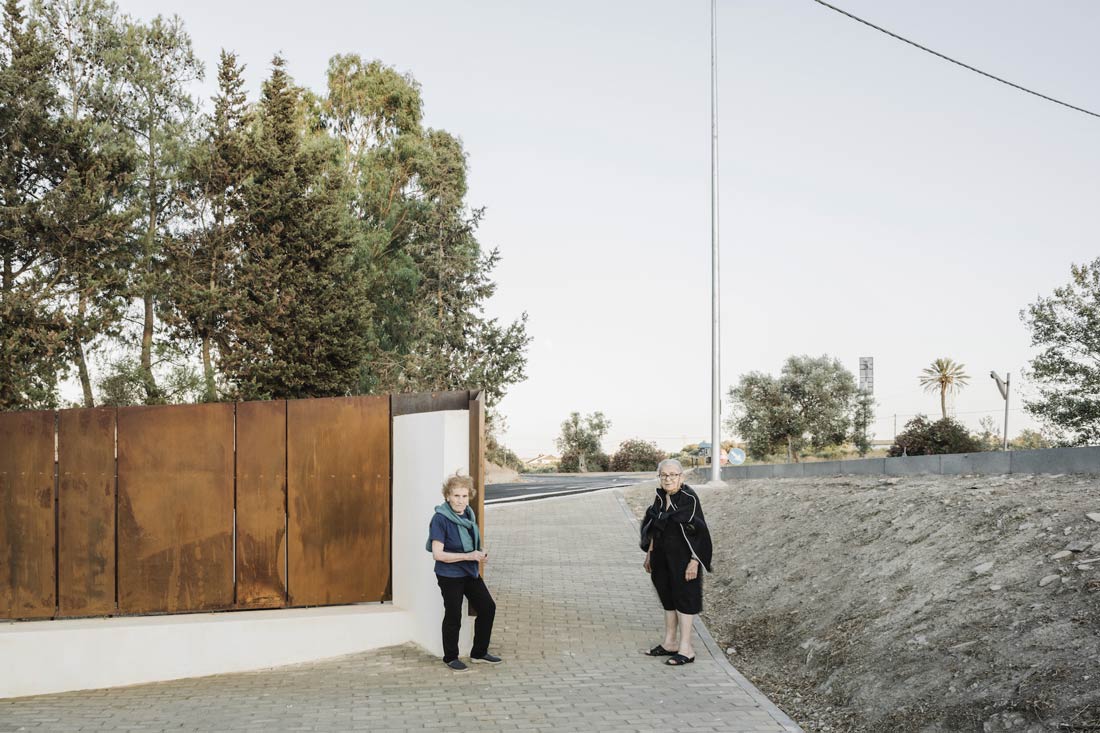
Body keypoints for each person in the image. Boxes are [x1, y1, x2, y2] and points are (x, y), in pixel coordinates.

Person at [639, 458, 713, 666]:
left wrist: (695, 561)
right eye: (664, 475)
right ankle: (670, 643)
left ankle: (686, 649)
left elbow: (700, 532)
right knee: (668, 598)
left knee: (684, 600)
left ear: (681, 477)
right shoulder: (660, 498)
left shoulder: (688, 499)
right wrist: (649, 553)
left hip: (684, 557)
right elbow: (655, 527)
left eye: (673, 475)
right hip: (662, 556)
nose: (668, 479)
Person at [427, 473, 501, 672]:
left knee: (487, 607)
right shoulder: (440, 519)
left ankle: (479, 653)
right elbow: (437, 554)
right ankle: (450, 657)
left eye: (464, 496)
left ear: (469, 497)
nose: (460, 500)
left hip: (469, 571)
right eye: (456, 496)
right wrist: (469, 556)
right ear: (448, 496)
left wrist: (480, 553)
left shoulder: (468, 515)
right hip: (449, 575)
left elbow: (470, 544)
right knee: (453, 615)